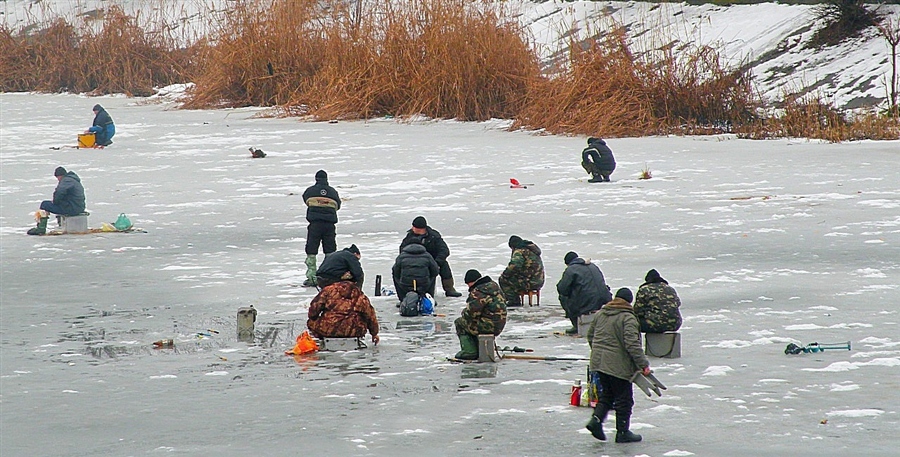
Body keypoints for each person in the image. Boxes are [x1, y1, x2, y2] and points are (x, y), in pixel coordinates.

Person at [585, 287, 650, 443]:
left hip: (598, 362)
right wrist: (643, 364)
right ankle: (623, 432)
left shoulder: (601, 314)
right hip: (617, 365)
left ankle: (595, 421)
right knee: (624, 399)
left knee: (607, 395)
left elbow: (590, 335)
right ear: (629, 301)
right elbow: (632, 344)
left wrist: (598, 352)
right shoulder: (627, 318)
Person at [399, 216, 462, 297]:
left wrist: (437, 262)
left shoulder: (434, 236)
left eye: (415, 228)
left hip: (432, 260)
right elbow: (402, 250)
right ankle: (406, 292)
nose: (413, 229)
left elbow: (444, 250)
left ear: (422, 228)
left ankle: (449, 288)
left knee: (444, 265)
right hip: (414, 260)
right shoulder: (409, 236)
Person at [454, 269, 508, 360]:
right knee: (475, 322)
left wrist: (464, 312)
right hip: (500, 324)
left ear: (471, 282)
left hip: (488, 326)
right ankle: (478, 348)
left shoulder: (478, 292)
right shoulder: (495, 287)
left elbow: (470, 314)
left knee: (459, 322)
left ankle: (470, 351)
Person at [307, 280, 379, 345]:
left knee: (311, 322)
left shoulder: (328, 291)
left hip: (328, 330)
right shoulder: (360, 295)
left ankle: (320, 340)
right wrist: (374, 333)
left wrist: (314, 318)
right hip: (354, 331)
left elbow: (314, 309)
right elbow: (370, 315)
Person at [556, 251, 612, 335]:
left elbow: (562, 289)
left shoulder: (571, 269)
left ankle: (576, 325)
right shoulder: (593, 266)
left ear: (568, 263)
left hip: (588, 303)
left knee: (563, 297)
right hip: (606, 299)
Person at [302, 170, 341, 287]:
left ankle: (312, 277)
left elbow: (306, 200)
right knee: (330, 250)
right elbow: (337, 205)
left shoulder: (310, 191)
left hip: (315, 225)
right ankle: (328, 277)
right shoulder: (333, 192)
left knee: (311, 250)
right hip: (329, 225)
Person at [28, 167, 86, 235]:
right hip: (78, 207)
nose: (58, 180)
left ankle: (41, 229)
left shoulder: (66, 181)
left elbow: (59, 192)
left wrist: (55, 201)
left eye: (57, 178)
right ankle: (61, 224)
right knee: (59, 204)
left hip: (72, 208)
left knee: (44, 204)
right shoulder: (74, 180)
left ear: (60, 176)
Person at [498, 235, 545, 307]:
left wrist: (505, 274)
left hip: (528, 281)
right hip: (539, 280)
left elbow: (515, 266)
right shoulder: (532, 250)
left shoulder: (519, 251)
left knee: (503, 279)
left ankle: (513, 300)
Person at [634, 269, 683, 333]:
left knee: (631, 323)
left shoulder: (645, 289)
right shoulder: (670, 289)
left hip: (656, 324)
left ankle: (634, 342)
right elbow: (678, 303)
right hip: (675, 324)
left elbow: (637, 310)